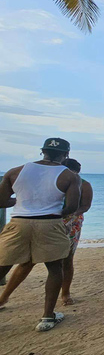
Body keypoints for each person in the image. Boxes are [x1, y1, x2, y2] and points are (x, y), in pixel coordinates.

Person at [0, 138, 81, 331]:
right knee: (54, 269)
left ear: (42, 151)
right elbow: (71, 207)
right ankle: (47, 317)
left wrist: (22, 203)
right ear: (66, 155)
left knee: (2, 266)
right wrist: (49, 210)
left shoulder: (15, 171)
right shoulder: (70, 176)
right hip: (50, 223)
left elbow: (2, 201)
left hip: (19, 222)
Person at [0, 158, 92, 308]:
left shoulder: (84, 184)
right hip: (47, 221)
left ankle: (65, 293)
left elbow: (84, 206)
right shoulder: (55, 179)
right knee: (28, 261)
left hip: (70, 222)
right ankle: (5, 296)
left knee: (66, 260)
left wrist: (68, 217)